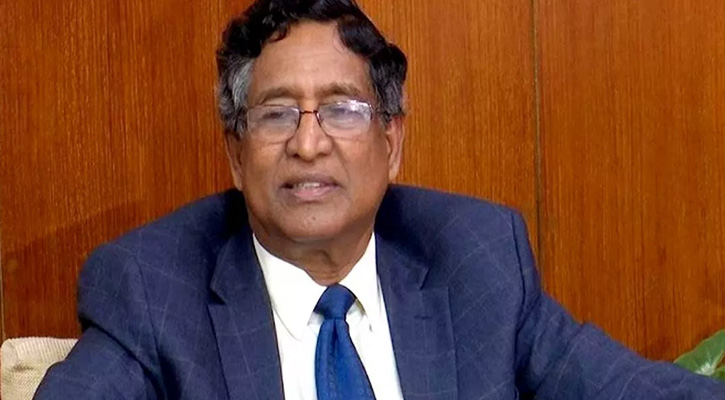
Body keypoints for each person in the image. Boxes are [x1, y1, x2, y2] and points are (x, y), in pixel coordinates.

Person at [35, 0, 725, 399]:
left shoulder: (476, 258)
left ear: (390, 142)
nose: (308, 144)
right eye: (277, 114)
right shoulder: (152, 288)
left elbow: (628, 390)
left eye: (341, 110)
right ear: (236, 155)